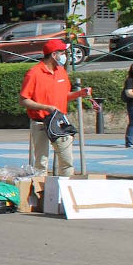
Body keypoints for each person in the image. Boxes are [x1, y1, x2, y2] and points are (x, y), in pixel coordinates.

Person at [19, 39, 91, 176]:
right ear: (53, 54)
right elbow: (23, 100)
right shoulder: (34, 73)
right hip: (40, 122)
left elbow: (64, 96)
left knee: (67, 161)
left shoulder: (61, 71)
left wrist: (79, 94)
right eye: (62, 52)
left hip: (59, 122)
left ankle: (65, 187)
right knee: (41, 163)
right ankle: (42, 188)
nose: (65, 55)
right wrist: (47, 108)